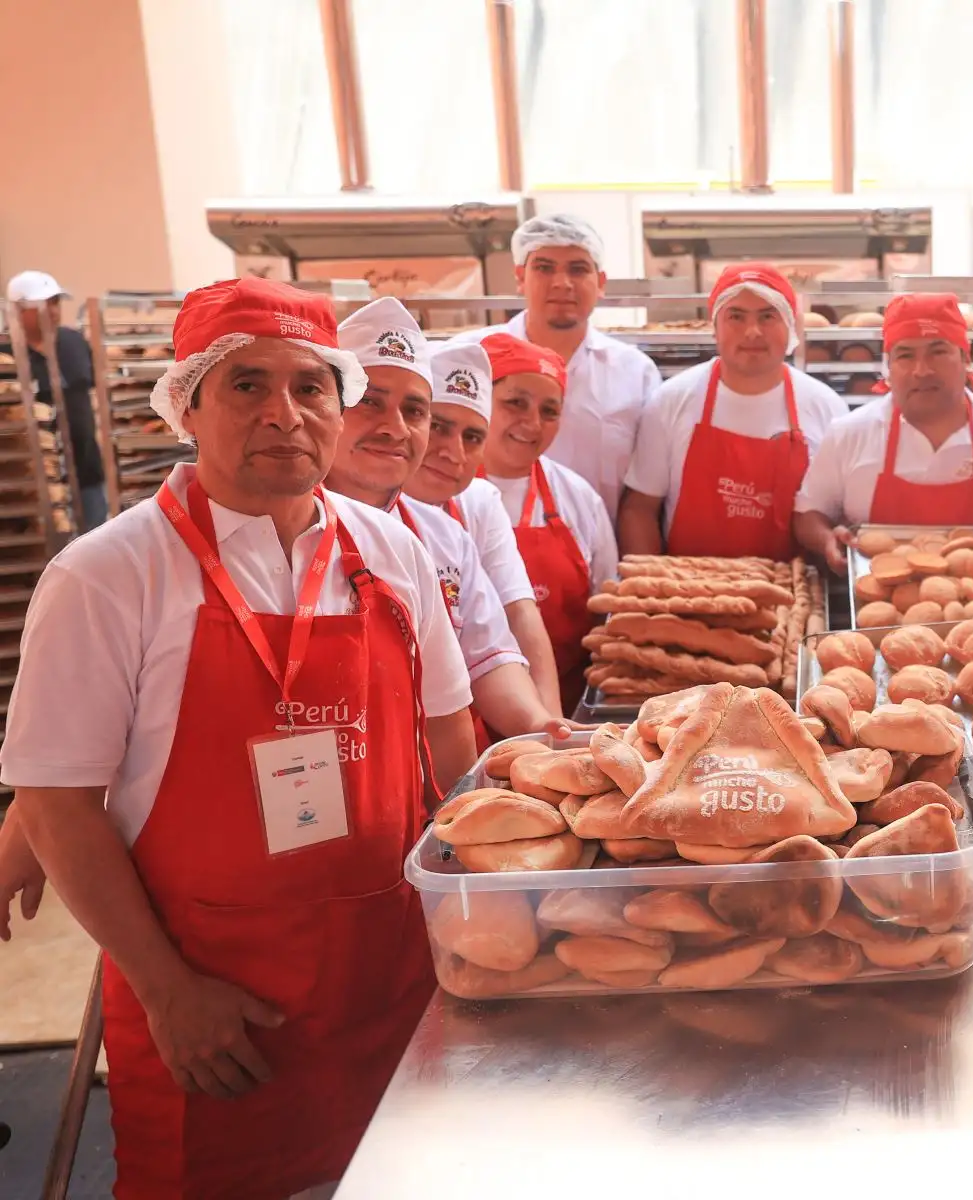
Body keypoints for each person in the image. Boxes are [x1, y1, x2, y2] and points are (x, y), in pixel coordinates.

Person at [0, 277, 474, 1198]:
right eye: (247, 385)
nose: (285, 414)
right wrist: (169, 992)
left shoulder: (393, 551)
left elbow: (453, 747)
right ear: (188, 405)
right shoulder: (108, 574)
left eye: (310, 388)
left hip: (390, 986)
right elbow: (57, 806)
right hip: (215, 1011)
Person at [332, 299, 573, 742]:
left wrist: (542, 727)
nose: (395, 428)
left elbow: (488, 654)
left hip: (434, 769)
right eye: (370, 402)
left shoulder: (443, 536)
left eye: (414, 411)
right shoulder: (278, 523)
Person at [793, 293, 973, 573]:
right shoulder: (848, 435)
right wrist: (826, 541)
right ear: (889, 367)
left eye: (938, 352)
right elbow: (809, 513)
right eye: (905, 355)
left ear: (966, 359)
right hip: (877, 603)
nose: (922, 370)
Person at [618, 263, 846, 559]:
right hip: (688, 594)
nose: (752, 331)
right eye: (736, 317)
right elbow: (639, 510)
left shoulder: (826, 408)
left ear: (790, 327)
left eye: (768, 316)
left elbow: (832, 516)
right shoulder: (671, 401)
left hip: (790, 597)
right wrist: (649, 593)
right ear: (715, 327)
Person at [465, 212, 660, 520]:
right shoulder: (470, 357)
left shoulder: (635, 373)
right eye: (544, 268)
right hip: (475, 548)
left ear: (601, 283)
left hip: (596, 551)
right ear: (519, 277)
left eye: (578, 269)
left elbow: (646, 490)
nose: (562, 283)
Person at [406, 340, 563, 714]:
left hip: (476, 720)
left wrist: (550, 722)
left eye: (472, 437)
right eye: (437, 427)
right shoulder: (356, 513)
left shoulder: (477, 504)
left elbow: (515, 618)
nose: (453, 452)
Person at [479, 331, 618, 712]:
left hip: (568, 709)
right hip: (464, 712)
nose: (533, 423)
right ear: (481, 402)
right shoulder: (441, 494)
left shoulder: (577, 497)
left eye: (549, 410)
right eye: (515, 403)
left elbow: (608, 610)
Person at [5, 270, 108, 531]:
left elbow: (94, 391)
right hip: (35, 484)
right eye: (41, 305)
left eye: (55, 303)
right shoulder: (5, 354)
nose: (52, 311)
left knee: (96, 549)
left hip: (88, 474)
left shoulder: (73, 342)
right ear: (17, 310)